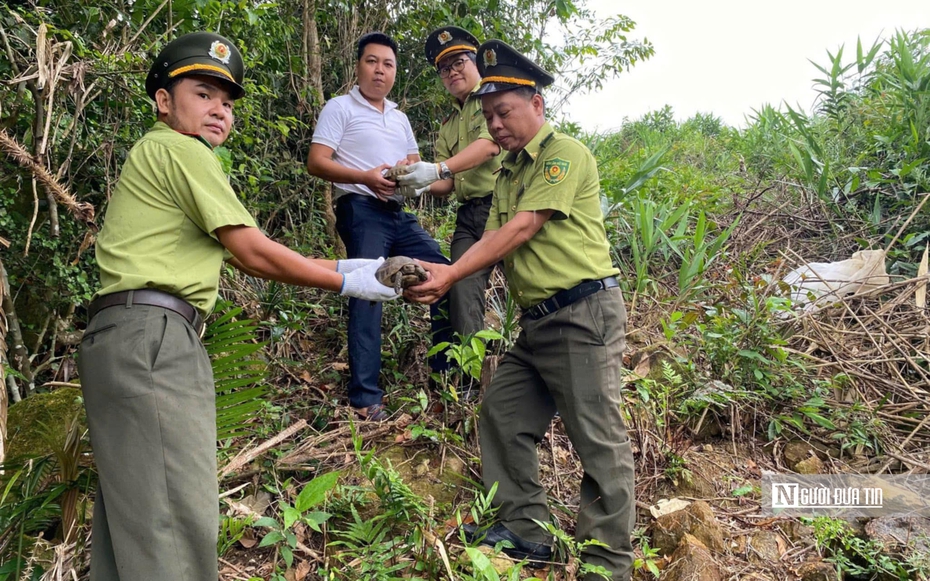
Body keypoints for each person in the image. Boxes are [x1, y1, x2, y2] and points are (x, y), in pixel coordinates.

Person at [78, 32, 398, 581]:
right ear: (163, 100)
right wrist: (351, 281)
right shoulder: (179, 150)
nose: (219, 111)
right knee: (175, 522)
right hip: (153, 340)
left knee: (133, 529)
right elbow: (252, 252)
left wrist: (349, 269)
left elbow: (257, 249)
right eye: (203, 94)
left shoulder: (160, 153)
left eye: (227, 103)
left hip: (126, 337)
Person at [407, 40, 636, 580]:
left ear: (536, 103)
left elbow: (521, 228)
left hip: (582, 314)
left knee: (597, 438)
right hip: (539, 323)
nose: (496, 125)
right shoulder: (507, 171)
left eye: (503, 112)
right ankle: (527, 530)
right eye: (488, 117)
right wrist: (444, 279)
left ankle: (608, 562)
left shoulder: (564, 154)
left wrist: (451, 273)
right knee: (504, 414)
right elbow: (489, 238)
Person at [306, 32, 453, 419]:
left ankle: (447, 380)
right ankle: (366, 398)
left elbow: (418, 168)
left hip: (397, 210)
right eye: (372, 61)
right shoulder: (340, 108)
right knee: (370, 289)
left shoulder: (400, 117)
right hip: (359, 205)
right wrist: (365, 176)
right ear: (358, 66)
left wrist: (439, 176)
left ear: (394, 73)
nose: (380, 70)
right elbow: (317, 162)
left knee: (442, 272)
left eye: (388, 64)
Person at [391, 27, 503, 392]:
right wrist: (417, 181)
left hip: (504, 206)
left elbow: (489, 147)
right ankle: (470, 380)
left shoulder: (493, 101)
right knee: (459, 288)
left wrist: (437, 169)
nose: (452, 72)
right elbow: (447, 184)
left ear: (475, 63)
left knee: (530, 280)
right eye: (444, 69)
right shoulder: (448, 124)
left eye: (459, 62)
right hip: (469, 216)